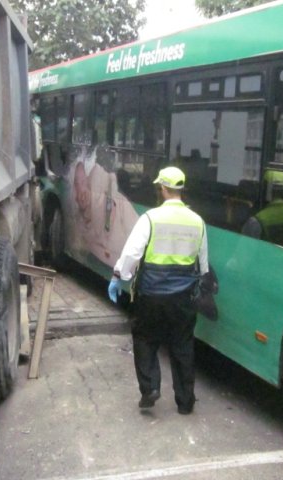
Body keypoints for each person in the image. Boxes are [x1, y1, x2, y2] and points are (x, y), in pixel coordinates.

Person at [108, 166, 209, 415]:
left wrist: (119, 275)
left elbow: (132, 253)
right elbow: (203, 263)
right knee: (183, 345)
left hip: (151, 295)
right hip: (184, 297)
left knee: (145, 339)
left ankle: (150, 388)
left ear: (163, 189)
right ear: (180, 190)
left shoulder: (150, 219)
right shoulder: (198, 221)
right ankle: (185, 402)